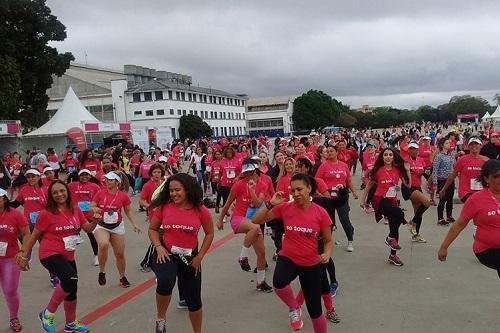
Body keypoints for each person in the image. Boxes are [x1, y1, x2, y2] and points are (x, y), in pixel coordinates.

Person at [252, 174, 332, 332]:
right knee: (279, 282)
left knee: (315, 311)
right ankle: (294, 308)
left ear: (309, 188)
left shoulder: (321, 213)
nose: (295, 193)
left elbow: (328, 240)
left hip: (310, 263)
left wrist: (327, 253)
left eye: (299, 189)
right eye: (293, 190)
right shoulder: (285, 207)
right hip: (288, 257)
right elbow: (256, 220)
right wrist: (270, 204)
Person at [17, 180, 99, 333]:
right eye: (55, 192)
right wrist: (24, 255)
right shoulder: (46, 213)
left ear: (67, 191)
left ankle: (70, 324)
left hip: (68, 254)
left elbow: (87, 229)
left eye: (62, 191)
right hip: (49, 253)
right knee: (70, 279)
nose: (59, 194)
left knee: (72, 288)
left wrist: (95, 220)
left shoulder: (75, 209)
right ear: (51, 196)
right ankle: (47, 314)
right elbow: (33, 236)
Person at [148, 173, 214, 333]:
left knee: (194, 301)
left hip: (190, 257)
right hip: (166, 253)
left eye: (177, 190)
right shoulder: (164, 207)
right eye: (171, 191)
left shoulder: (201, 210)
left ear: (187, 190)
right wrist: (158, 246)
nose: (173, 194)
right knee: (166, 280)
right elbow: (152, 229)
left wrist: (199, 257)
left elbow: (209, 234)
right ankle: (160, 319)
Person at [216, 159, 274, 292]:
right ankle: (243, 257)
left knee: (261, 253)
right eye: (245, 173)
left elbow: (259, 203)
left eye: (250, 172)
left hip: (253, 222)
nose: (248, 175)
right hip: (238, 219)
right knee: (256, 227)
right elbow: (227, 203)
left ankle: (261, 282)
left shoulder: (262, 185)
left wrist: (252, 190)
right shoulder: (238, 185)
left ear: (256, 171)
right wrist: (220, 219)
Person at [438, 159, 500, 279]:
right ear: (486, 179)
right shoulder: (476, 199)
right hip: (487, 250)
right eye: (497, 176)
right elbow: (459, 225)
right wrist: (444, 247)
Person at [90, 171, 142, 288]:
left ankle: (122, 276)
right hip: (101, 225)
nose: (106, 182)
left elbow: (128, 210)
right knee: (103, 244)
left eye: (110, 180)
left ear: (117, 182)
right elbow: (91, 206)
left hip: (117, 225)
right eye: (106, 179)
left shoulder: (123, 196)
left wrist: (135, 223)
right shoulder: (100, 193)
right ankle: (102, 272)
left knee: (120, 254)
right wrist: (95, 210)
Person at [360, 148, 411, 266]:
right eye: (385, 155)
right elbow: (368, 186)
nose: (388, 157)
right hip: (379, 200)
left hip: (392, 200)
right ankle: (389, 238)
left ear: (394, 157)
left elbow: (408, 185)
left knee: (395, 225)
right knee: (400, 214)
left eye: (390, 155)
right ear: (382, 157)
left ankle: (393, 255)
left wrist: (407, 171)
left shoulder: (398, 170)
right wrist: (363, 200)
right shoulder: (378, 170)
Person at [315, 145, 357, 252]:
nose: (329, 153)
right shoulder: (323, 166)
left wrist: (354, 192)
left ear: (336, 152)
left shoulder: (343, 165)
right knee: (329, 221)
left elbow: (349, 180)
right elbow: (317, 180)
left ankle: (350, 240)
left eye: (332, 151)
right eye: (327, 152)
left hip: (342, 195)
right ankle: (327, 243)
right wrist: (320, 193)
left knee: (344, 219)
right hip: (328, 196)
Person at [0, 188, 30, 332]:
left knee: (10, 289)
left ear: (5, 199)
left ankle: (13, 317)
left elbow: (26, 234)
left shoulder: (15, 214)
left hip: (10, 257)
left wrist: (23, 253)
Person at [439, 137, 488, 203]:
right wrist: (443, 189)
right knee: (474, 204)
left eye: (476, 144)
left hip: (481, 191)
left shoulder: (486, 160)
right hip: (466, 192)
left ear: (481, 145)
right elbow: (453, 175)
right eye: (471, 144)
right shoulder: (462, 159)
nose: (474, 146)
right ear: (468, 146)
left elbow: (492, 177)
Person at [68, 169, 101, 266]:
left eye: (87, 175)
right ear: (79, 176)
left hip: (89, 215)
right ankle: (68, 257)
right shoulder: (72, 185)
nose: (84, 177)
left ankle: (96, 256)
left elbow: (99, 199)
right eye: (82, 175)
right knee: (70, 236)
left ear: (90, 176)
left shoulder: (95, 186)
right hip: (75, 215)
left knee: (92, 236)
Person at [403, 141, 432, 243]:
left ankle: (415, 235)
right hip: (409, 188)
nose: (412, 150)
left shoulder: (421, 160)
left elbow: (423, 172)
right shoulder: (406, 161)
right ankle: (413, 222)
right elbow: (402, 175)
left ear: (417, 150)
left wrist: (425, 173)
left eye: (414, 149)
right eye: (410, 148)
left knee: (418, 212)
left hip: (418, 186)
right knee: (427, 202)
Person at [431, 138, 456, 226]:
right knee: (443, 199)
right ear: (442, 145)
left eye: (449, 143)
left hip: (450, 179)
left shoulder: (450, 155)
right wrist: (435, 183)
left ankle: (449, 215)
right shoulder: (438, 156)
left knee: (450, 199)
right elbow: (435, 170)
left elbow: (454, 166)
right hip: (442, 180)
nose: (449, 144)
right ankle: (440, 218)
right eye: (446, 143)